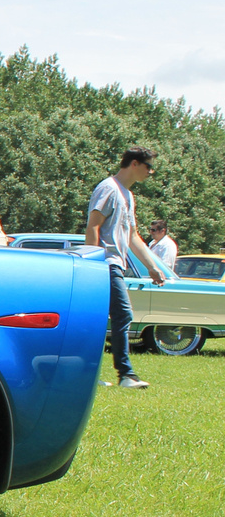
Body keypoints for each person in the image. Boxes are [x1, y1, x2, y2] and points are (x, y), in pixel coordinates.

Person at [86, 147, 164, 389]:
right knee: (123, 315)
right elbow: (93, 226)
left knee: (100, 320)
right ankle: (126, 375)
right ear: (133, 164)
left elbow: (132, 237)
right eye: (148, 167)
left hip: (115, 265)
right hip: (105, 264)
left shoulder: (127, 196)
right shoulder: (108, 188)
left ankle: (91, 375)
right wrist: (92, 263)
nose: (150, 172)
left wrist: (152, 266)